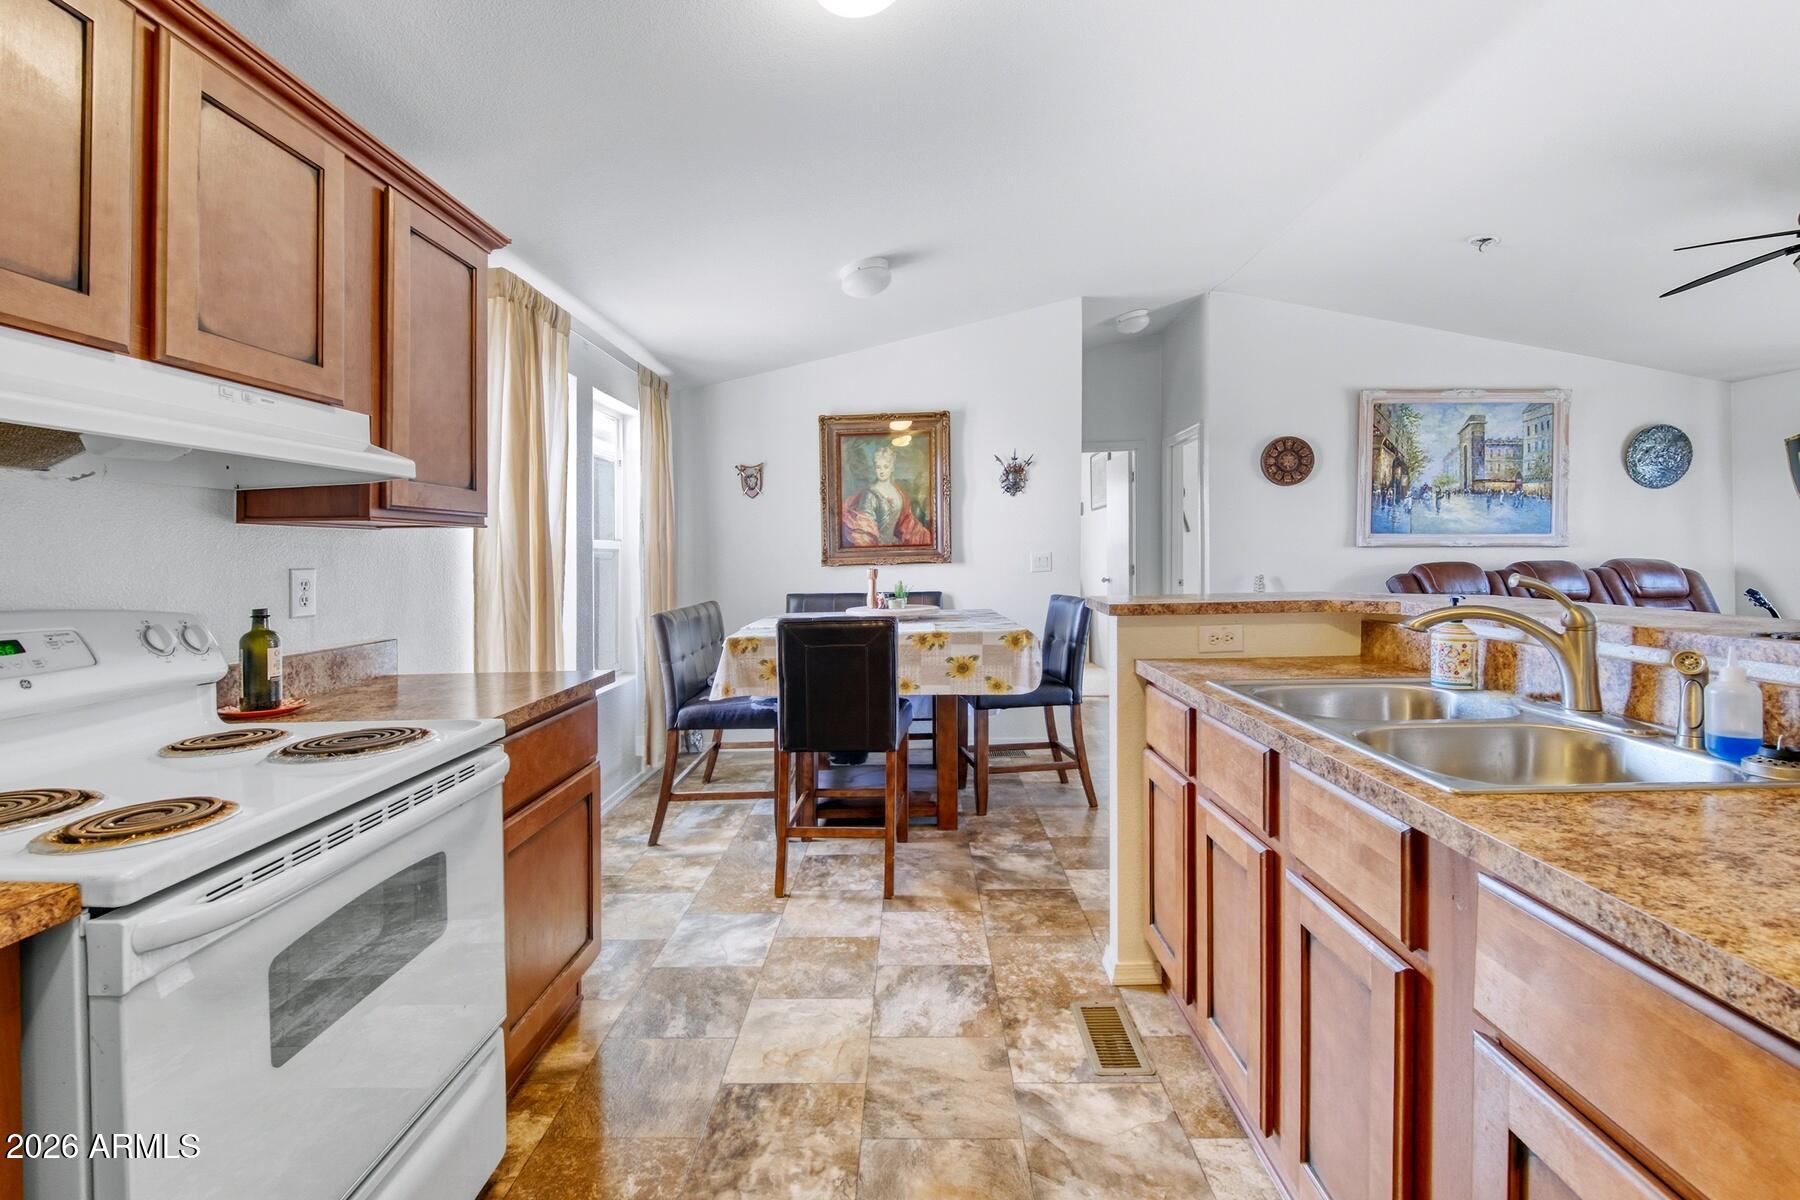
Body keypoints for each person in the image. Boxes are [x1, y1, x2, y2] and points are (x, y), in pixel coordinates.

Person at [841, 444, 932, 547]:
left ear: (892, 467)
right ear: (874, 468)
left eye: (885, 466)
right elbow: (865, 528)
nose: (882, 471)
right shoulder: (869, 494)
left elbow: (906, 522)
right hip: (876, 547)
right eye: (878, 467)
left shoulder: (899, 492)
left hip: (894, 544)